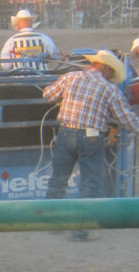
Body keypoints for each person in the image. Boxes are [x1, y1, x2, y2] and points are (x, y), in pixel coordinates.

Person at [43, 50, 139, 240]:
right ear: (107, 71)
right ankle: (80, 230)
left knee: (58, 179)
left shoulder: (71, 76)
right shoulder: (109, 89)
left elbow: (49, 95)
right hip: (91, 136)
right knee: (89, 184)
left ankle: (51, 223)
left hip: (66, 132)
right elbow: (126, 119)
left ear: (95, 65)